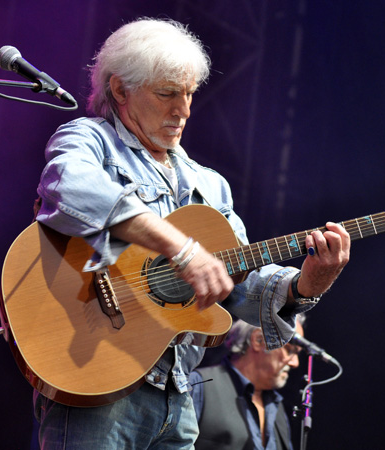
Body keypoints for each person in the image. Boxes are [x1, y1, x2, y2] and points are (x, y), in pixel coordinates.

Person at [32, 17, 351, 449]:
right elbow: (71, 188)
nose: (183, 110)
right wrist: (180, 249)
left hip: (178, 398)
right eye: (167, 94)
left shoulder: (211, 185)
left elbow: (239, 288)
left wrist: (309, 283)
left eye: (188, 94)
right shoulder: (89, 140)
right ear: (120, 90)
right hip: (97, 386)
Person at [190, 317, 306, 450]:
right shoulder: (199, 384)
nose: (295, 363)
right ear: (258, 340)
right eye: (289, 350)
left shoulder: (277, 407)